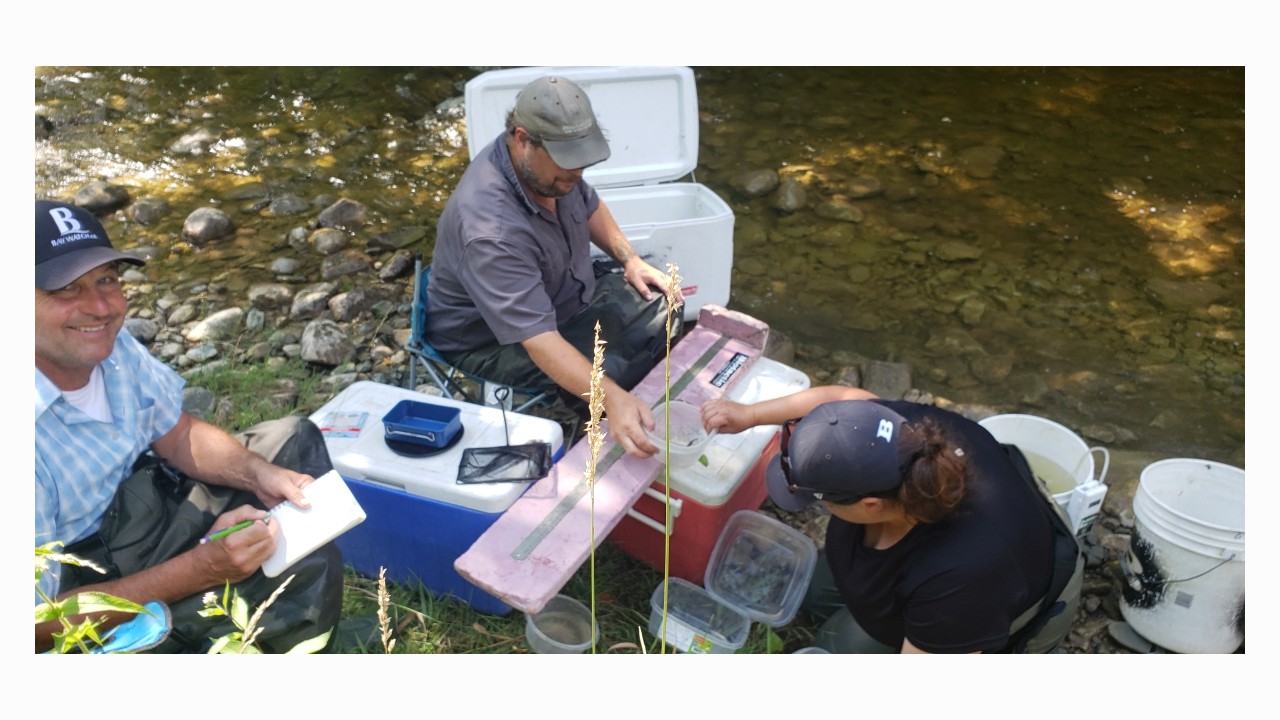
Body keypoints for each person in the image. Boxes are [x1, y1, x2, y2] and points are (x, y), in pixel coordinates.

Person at [34, 200, 344, 653]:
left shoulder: (110, 344)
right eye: (66, 290)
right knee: (288, 570)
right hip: (88, 577)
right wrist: (200, 568)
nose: (100, 307)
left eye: (106, 280)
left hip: (146, 502)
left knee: (291, 440)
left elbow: (177, 434)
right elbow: (33, 621)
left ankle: (245, 599)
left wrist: (259, 474)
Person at [701, 386, 1084, 653]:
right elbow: (842, 401)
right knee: (817, 592)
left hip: (994, 598)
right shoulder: (905, 434)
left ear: (870, 505)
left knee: (841, 642)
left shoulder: (961, 575)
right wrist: (750, 414)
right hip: (920, 555)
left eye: (817, 498)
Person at [426, 74, 680, 459]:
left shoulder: (553, 172)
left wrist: (630, 260)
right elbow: (540, 340)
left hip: (560, 297)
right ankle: (604, 428)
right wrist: (611, 399)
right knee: (610, 369)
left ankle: (623, 403)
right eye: (568, 165)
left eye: (582, 163)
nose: (576, 174)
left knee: (667, 298)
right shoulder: (490, 227)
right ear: (523, 139)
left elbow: (589, 204)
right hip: (493, 342)